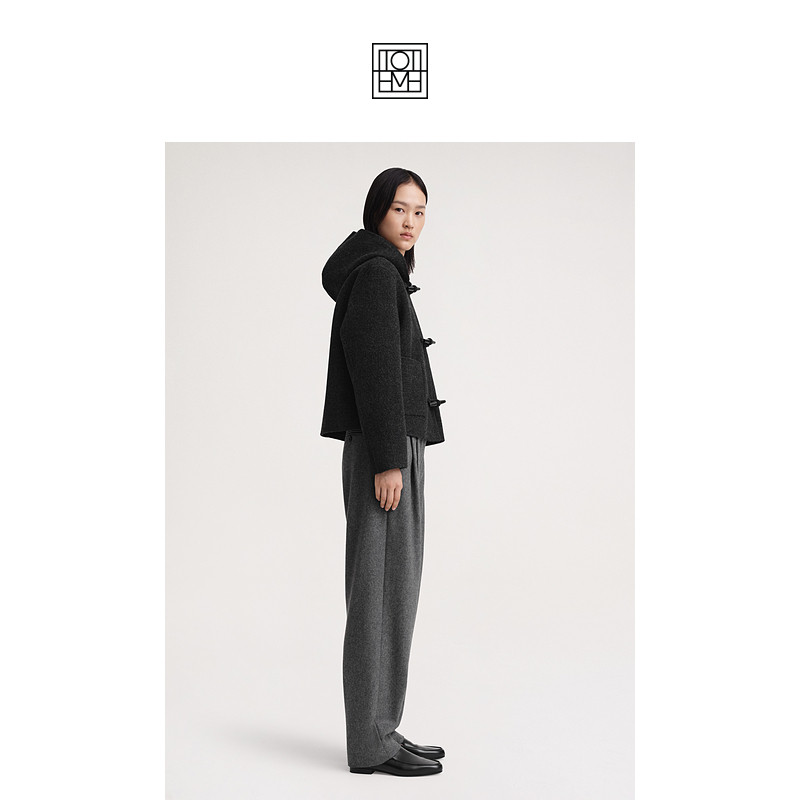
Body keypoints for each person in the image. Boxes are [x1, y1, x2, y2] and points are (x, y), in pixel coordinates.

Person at [319, 167, 447, 776]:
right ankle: (372, 741)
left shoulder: (383, 272)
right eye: (400, 209)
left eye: (419, 212)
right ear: (377, 211)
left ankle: (381, 728)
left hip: (391, 447)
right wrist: (389, 460)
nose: (411, 222)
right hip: (385, 453)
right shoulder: (375, 274)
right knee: (381, 595)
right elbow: (373, 370)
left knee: (392, 592)